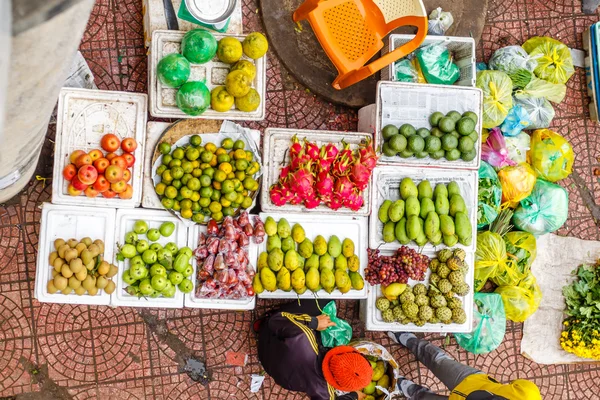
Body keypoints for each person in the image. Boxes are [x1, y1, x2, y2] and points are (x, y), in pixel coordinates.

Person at [256, 299, 371, 400]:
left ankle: (260, 323)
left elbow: (275, 321)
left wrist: (314, 323)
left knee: (325, 299)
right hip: (275, 370)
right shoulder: (325, 393)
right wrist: (353, 396)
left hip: (268, 337)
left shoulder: (303, 337)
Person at [388, 332, 542, 400]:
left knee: (423, 398)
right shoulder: (529, 395)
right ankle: (410, 340)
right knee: (437, 360)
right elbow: (516, 384)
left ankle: (406, 388)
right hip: (471, 380)